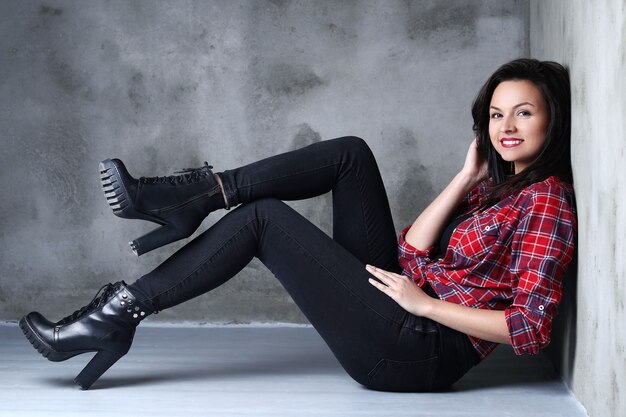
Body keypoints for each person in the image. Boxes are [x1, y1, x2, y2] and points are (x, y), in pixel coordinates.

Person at [19, 58, 576, 391]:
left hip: (418, 351)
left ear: (552, 118)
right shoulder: (498, 189)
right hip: (404, 306)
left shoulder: (546, 202)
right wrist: (464, 176)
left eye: (523, 112)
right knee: (351, 154)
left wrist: (423, 305)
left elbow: (530, 329)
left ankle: (117, 310)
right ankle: (199, 196)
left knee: (263, 220)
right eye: (497, 114)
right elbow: (411, 249)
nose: (506, 126)